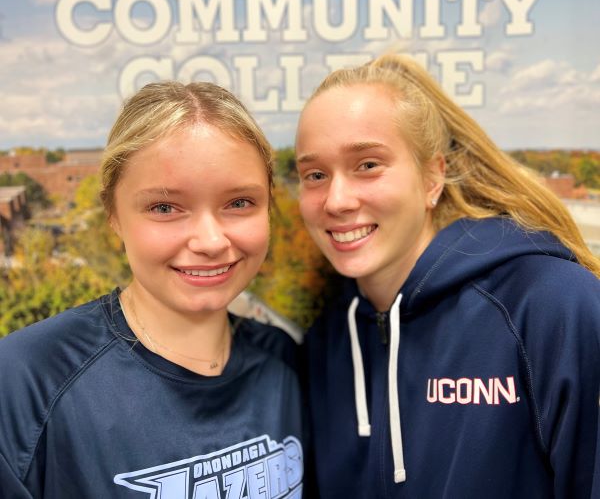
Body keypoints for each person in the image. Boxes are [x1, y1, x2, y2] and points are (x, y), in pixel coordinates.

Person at [295, 53, 600, 498]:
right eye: (315, 174)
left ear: (433, 177)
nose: (336, 200)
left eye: (368, 165)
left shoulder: (551, 305)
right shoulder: (325, 344)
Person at [0, 81, 305, 498]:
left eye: (239, 203)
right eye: (164, 208)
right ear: (114, 215)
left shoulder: (281, 361)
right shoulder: (27, 380)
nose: (211, 240)